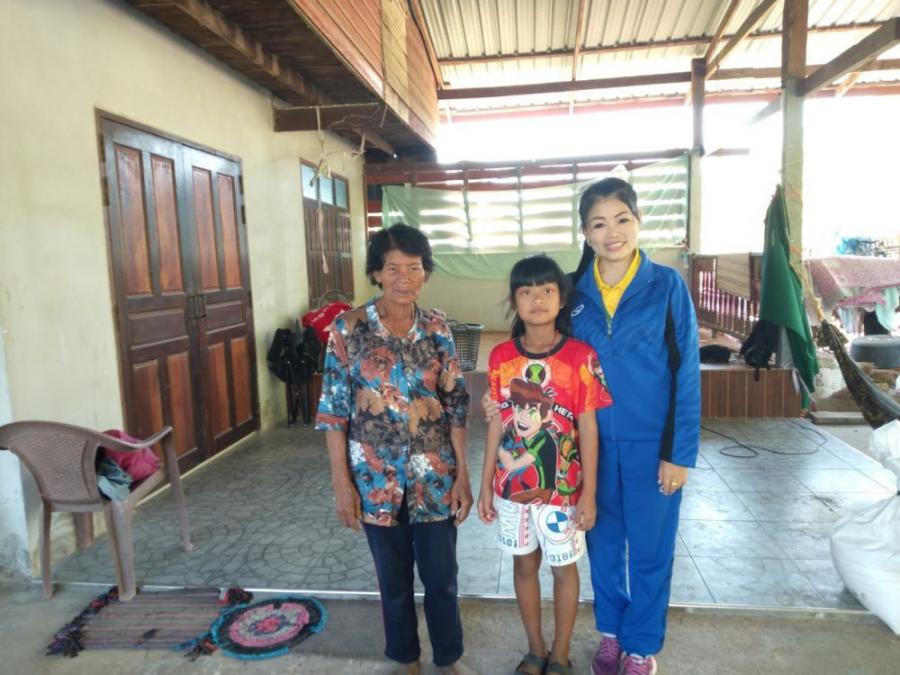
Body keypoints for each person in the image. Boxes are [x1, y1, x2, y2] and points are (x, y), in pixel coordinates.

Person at [484, 178, 700, 675]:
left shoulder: (667, 286)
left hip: (652, 444)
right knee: (601, 544)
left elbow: (686, 370)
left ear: (638, 221)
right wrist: (500, 403)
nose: (612, 233)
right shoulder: (573, 292)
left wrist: (679, 453)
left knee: (650, 549)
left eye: (622, 219)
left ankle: (640, 646)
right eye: (599, 224)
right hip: (589, 445)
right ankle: (610, 633)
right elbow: (538, 357)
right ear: (585, 232)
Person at [316, 223, 474, 675]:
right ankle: (406, 658)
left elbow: (456, 405)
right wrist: (342, 485)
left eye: (414, 267)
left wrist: (463, 474)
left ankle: (449, 656)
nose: (404, 278)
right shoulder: (348, 329)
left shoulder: (437, 328)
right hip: (375, 479)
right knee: (393, 580)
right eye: (393, 268)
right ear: (376, 273)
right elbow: (333, 413)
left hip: (435, 475)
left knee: (442, 577)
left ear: (426, 272)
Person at [477, 255, 612, 675]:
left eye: (547, 290)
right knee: (523, 565)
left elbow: (588, 427)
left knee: (564, 569)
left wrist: (589, 493)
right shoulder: (501, 357)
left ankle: (560, 654)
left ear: (562, 299)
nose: (537, 299)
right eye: (526, 291)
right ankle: (535, 650)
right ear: (514, 300)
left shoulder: (581, 357)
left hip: (564, 492)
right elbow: (497, 421)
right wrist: (485, 484)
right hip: (511, 490)